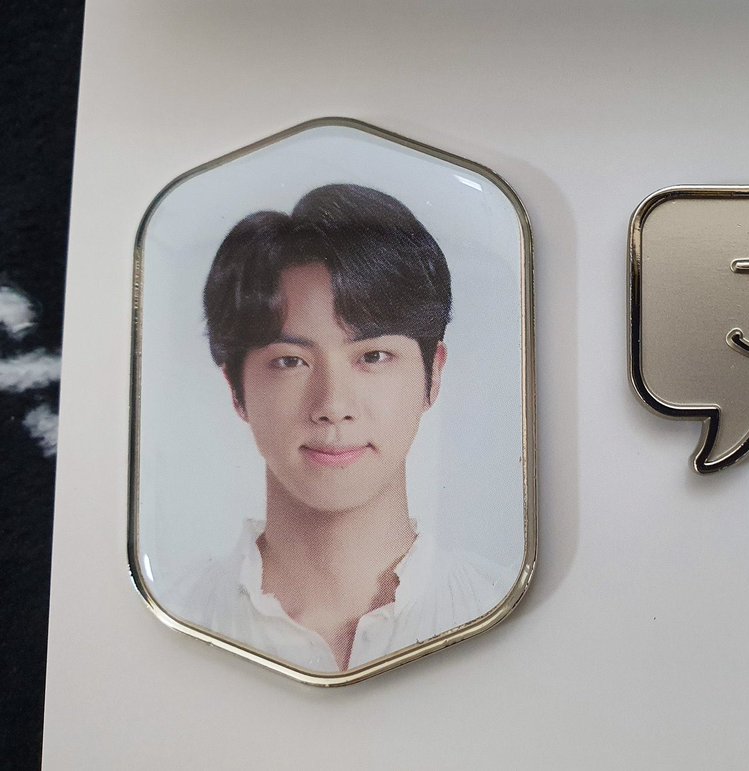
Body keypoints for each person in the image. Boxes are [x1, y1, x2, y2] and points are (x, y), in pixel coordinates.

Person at [171, 184, 509, 673]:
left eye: (373, 356)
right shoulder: (175, 618)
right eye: (290, 361)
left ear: (433, 375)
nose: (332, 405)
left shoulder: (502, 613)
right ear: (236, 388)